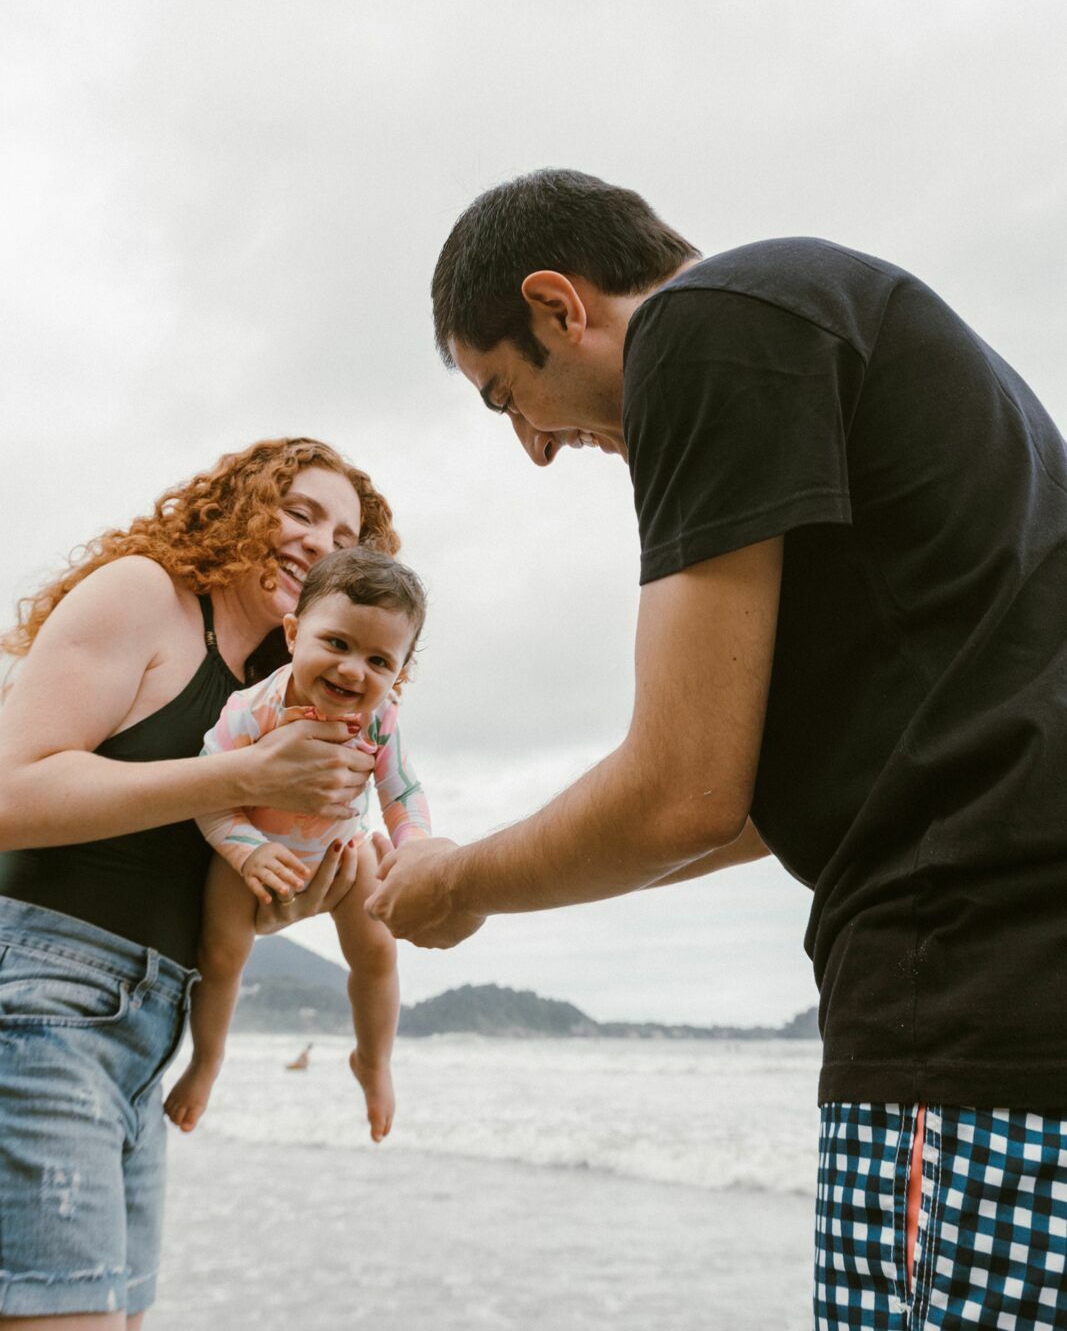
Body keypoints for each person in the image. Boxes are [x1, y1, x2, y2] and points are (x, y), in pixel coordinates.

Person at [367, 169, 1067, 1328]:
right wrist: (488, 873)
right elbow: (738, 799)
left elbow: (680, 791)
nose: (535, 448)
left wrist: (461, 881)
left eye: (506, 399)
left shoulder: (704, 324)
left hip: (963, 996)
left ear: (556, 305)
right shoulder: (845, 332)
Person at [0, 436, 398, 1328]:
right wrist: (245, 777)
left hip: (150, 1031)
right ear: (237, 507)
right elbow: (9, 795)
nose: (317, 543)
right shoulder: (146, 595)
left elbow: (188, 867)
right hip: (38, 1002)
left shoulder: (279, 692)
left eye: (343, 538)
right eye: (299, 512)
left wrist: (279, 899)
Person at [164, 546, 430, 1143]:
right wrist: (248, 851)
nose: (353, 671)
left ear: (398, 674)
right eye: (336, 643)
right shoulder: (251, 710)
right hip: (251, 854)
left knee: (378, 953)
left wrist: (413, 847)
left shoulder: (381, 720)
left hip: (342, 853)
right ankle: (206, 1061)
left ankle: (373, 1061)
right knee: (221, 956)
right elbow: (206, 792)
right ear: (293, 634)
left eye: (378, 660)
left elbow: (403, 792)